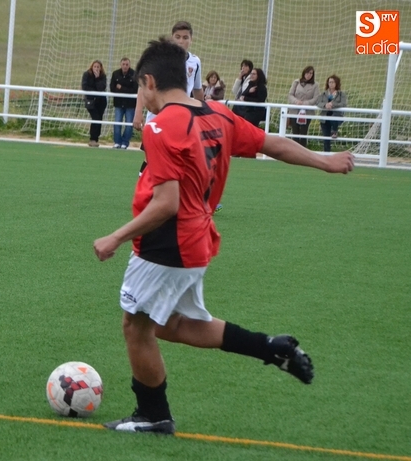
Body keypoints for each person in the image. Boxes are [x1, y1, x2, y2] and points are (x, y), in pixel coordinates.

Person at [93, 37, 354, 435]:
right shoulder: (218, 113)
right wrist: (324, 161)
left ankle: (153, 414)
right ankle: (271, 348)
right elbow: (272, 143)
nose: (142, 98)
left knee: (136, 326)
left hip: (167, 241)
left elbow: (166, 203)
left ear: (149, 82)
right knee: (170, 325)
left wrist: (116, 237)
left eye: (141, 90)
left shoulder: (160, 126)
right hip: (196, 239)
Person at [133, 21, 202, 131]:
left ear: (191, 39)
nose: (181, 41)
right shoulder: (160, 59)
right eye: (177, 37)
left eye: (185, 38)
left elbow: (197, 89)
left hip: (182, 116)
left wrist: (202, 114)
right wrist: (138, 111)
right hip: (157, 116)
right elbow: (144, 85)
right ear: (172, 38)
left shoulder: (195, 62)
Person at [287, 66, 319, 148]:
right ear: (304, 73)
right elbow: (290, 95)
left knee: (303, 132)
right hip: (294, 110)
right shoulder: (296, 82)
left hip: (307, 111)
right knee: (295, 131)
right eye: (307, 73)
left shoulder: (315, 85)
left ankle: (303, 151)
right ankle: (294, 150)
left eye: (311, 73)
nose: (309, 75)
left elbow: (316, 98)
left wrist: (305, 103)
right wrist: (296, 101)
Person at [110, 57, 137, 149]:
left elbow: (134, 90)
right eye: (123, 64)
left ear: (129, 65)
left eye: (127, 64)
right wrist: (125, 90)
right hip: (118, 103)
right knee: (117, 123)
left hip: (130, 104)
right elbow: (112, 88)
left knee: (129, 124)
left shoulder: (134, 74)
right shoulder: (115, 74)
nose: (125, 66)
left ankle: (125, 142)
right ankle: (117, 142)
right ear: (120, 65)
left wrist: (121, 88)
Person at [317, 75, 348, 152]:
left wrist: (333, 105)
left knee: (333, 119)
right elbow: (318, 102)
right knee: (326, 139)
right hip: (325, 117)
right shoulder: (324, 93)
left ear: (337, 83)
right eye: (330, 82)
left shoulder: (341, 94)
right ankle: (326, 154)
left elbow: (343, 104)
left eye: (333, 82)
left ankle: (334, 131)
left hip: (336, 117)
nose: (331, 84)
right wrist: (325, 105)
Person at [82, 60, 108, 147]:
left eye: (98, 67)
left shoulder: (103, 76)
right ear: (92, 67)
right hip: (91, 100)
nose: (96, 68)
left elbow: (102, 88)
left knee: (99, 118)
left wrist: (97, 78)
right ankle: (92, 138)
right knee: (95, 117)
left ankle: (96, 139)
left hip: (101, 101)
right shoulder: (87, 74)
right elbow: (85, 87)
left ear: (101, 68)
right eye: (95, 66)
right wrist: (94, 92)